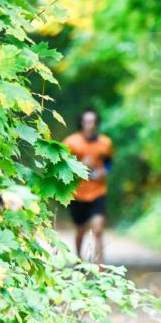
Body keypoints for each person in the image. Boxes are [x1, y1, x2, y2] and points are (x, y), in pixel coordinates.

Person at [63, 108, 113, 264]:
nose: (89, 125)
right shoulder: (70, 142)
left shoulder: (105, 143)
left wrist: (104, 171)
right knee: (80, 230)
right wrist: (80, 165)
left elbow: (109, 162)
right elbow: (61, 165)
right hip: (78, 193)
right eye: (86, 121)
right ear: (81, 123)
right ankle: (79, 261)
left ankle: (100, 266)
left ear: (96, 123)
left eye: (92, 121)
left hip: (98, 191)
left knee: (98, 229)